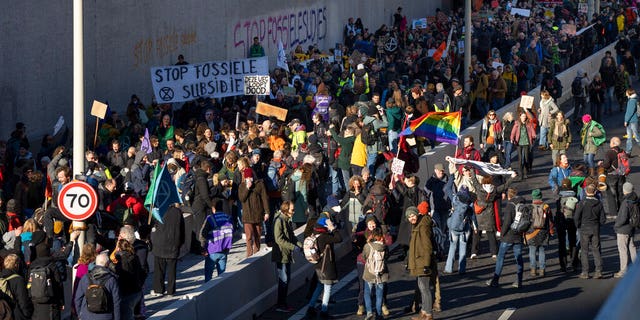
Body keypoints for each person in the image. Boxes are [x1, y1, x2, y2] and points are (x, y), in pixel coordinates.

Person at [486, 188, 525, 288]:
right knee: (519, 258)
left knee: (500, 257)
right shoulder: (523, 205)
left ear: (509, 196)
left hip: (508, 236)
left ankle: (495, 280)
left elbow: (507, 222)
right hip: (519, 235)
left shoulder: (510, 206)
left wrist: (502, 233)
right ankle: (519, 280)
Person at [306, 217, 342, 318]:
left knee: (319, 287)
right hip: (326, 267)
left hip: (318, 266)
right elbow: (339, 238)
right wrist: (333, 228)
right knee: (327, 288)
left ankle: (311, 307)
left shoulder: (315, 235)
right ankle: (324, 311)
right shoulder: (324, 237)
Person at [271, 200, 302, 312]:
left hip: (286, 253)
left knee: (286, 279)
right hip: (281, 254)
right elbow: (279, 239)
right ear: (286, 209)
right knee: (283, 280)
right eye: (292, 210)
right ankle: (281, 304)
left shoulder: (286, 220)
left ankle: (283, 303)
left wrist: (300, 245)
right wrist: (294, 247)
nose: (293, 212)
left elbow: (292, 236)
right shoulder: (279, 221)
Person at [406, 206, 435, 320]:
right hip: (419, 261)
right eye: (409, 217)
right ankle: (424, 312)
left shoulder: (422, 226)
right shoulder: (417, 224)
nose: (411, 218)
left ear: (417, 214)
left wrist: (426, 264)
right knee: (421, 287)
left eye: (413, 215)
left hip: (423, 262)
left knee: (425, 288)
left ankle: (428, 314)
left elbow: (427, 246)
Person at [150, 205, 185, 296]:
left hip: (160, 244)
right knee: (172, 270)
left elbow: (154, 226)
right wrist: (180, 243)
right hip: (173, 244)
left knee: (159, 269)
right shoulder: (178, 212)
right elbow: (182, 229)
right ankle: (171, 290)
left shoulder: (159, 211)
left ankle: (159, 289)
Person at [443, 174, 474, 275]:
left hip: (454, 228)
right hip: (465, 228)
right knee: (463, 248)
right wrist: (475, 226)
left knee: (452, 247)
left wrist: (452, 177)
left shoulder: (455, 199)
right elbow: (472, 215)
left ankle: (448, 268)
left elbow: (447, 188)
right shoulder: (470, 203)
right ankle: (462, 269)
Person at [74, 253, 121, 320]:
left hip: (87, 315)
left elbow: (78, 298)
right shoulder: (112, 280)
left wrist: (80, 314)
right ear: (107, 264)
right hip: (105, 316)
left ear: (95, 263)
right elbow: (116, 303)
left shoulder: (86, 277)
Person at [574, 184, 607, 279]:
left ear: (586, 192)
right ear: (595, 192)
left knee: (584, 251)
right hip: (595, 228)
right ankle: (598, 271)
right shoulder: (599, 204)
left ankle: (585, 272)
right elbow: (603, 219)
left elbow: (576, 217)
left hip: (584, 228)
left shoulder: (582, 203)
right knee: (596, 250)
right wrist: (598, 224)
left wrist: (578, 226)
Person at [238, 167, 270, 258]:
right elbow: (242, 198)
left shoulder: (259, 184)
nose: (248, 179)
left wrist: (267, 212)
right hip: (247, 215)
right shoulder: (242, 186)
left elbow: (265, 198)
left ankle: (257, 252)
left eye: (250, 177)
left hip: (258, 213)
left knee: (257, 235)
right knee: (248, 236)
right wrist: (247, 188)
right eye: (246, 178)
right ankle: (249, 254)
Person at [525, 189, 554, 277]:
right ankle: (542, 269)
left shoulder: (529, 207)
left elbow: (526, 222)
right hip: (543, 232)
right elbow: (550, 221)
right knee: (542, 251)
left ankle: (533, 269)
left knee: (532, 251)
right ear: (541, 196)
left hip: (531, 233)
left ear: (533, 197)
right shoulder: (546, 206)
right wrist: (551, 230)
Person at [362, 227, 389, 320]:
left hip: (369, 273)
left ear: (372, 235)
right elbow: (387, 257)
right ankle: (378, 314)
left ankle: (369, 312)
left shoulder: (367, 246)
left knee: (367, 293)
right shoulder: (384, 247)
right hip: (381, 274)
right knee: (379, 295)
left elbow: (364, 257)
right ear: (381, 236)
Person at [613, 182, 638, 278]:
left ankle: (623, 270)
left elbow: (623, 217)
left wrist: (616, 225)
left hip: (623, 229)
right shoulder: (635, 199)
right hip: (632, 226)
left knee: (622, 250)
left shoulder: (625, 202)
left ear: (625, 190)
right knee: (632, 247)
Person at [556, 178, 580, 272]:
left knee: (561, 244)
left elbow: (558, 211)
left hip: (561, 221)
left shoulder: (559, 197)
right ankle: (574, 263)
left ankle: (563, 265)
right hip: (572, 221)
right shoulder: (575, 196)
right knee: (573, 242)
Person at [1, 253, 33, 320]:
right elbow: (23, 302)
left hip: (4, 315)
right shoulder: (18, 280)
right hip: (16, 315)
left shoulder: (1, 278)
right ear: (16, 265)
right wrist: (27, 315)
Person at [510, 111, 537, 180]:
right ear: (520, 117)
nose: (524, 118)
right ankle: (520, 174)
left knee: (526, 158)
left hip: (526, 143)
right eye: (522, 116)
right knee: (520, 159)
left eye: (525, 116)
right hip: (519, 143)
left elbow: (532, 131)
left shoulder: (528, 124)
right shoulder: (517, 124)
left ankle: (525, 173)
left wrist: (534, 136)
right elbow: (513, 132)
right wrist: (512, 138)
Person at [623, 88, 640, 154]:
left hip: (631, 121)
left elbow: (629, 112)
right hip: (634, 120)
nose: (626, 93)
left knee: (634, 137)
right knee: (632, 137)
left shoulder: (631, 101)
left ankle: (628, 152)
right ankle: (628, 151)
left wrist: (626, 121)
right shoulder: (635, 99)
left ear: (629, 93)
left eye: (626, 92)